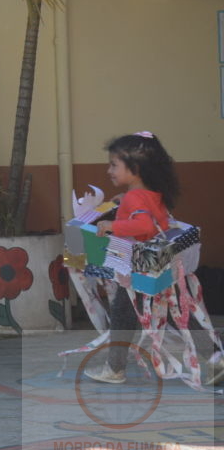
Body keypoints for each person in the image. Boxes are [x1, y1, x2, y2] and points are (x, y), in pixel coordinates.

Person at [87, 132, 180, 384]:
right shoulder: (150, 193)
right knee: (176, 313)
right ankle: (217, 353)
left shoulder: (136, 197)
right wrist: (123, 201)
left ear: (135, 168)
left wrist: (111, 226)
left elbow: (144, 226)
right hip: (155, 267)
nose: (109, 170)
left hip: (136, 269)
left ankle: (115, 369)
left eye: (114, 165)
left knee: (122, 317)